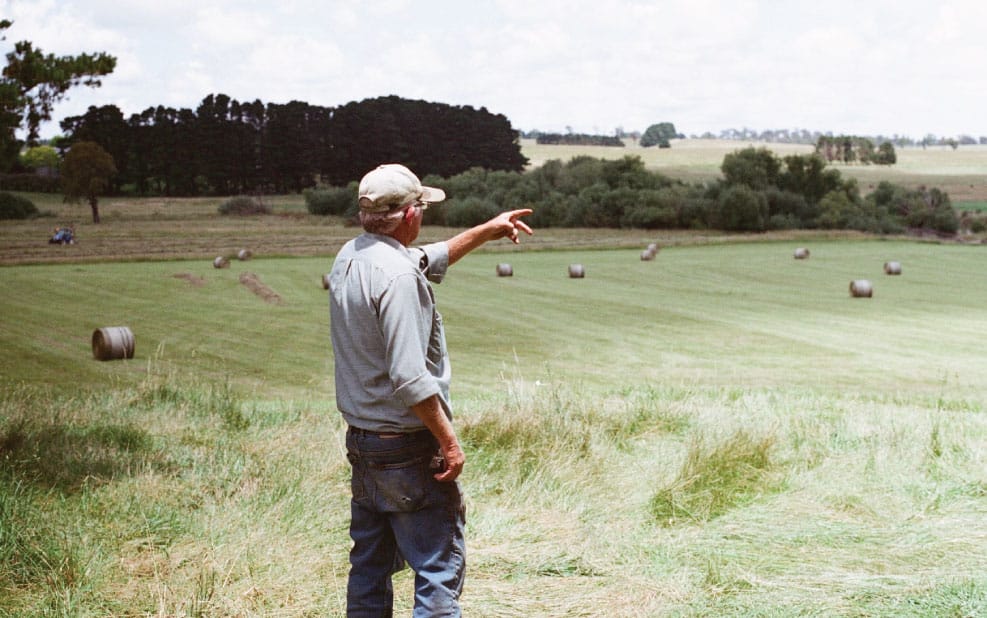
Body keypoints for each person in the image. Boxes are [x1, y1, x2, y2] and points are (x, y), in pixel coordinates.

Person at [328, 163, 533, 617]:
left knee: (369, 569)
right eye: (420, 205)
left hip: (363, 441)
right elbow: (409, 377)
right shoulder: (400, 281)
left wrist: (488, 230)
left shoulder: (352, 256)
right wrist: (448, 440)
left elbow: (426, 257)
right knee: (437, 570)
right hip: (405, 445)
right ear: (407, 216)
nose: (424, 214)